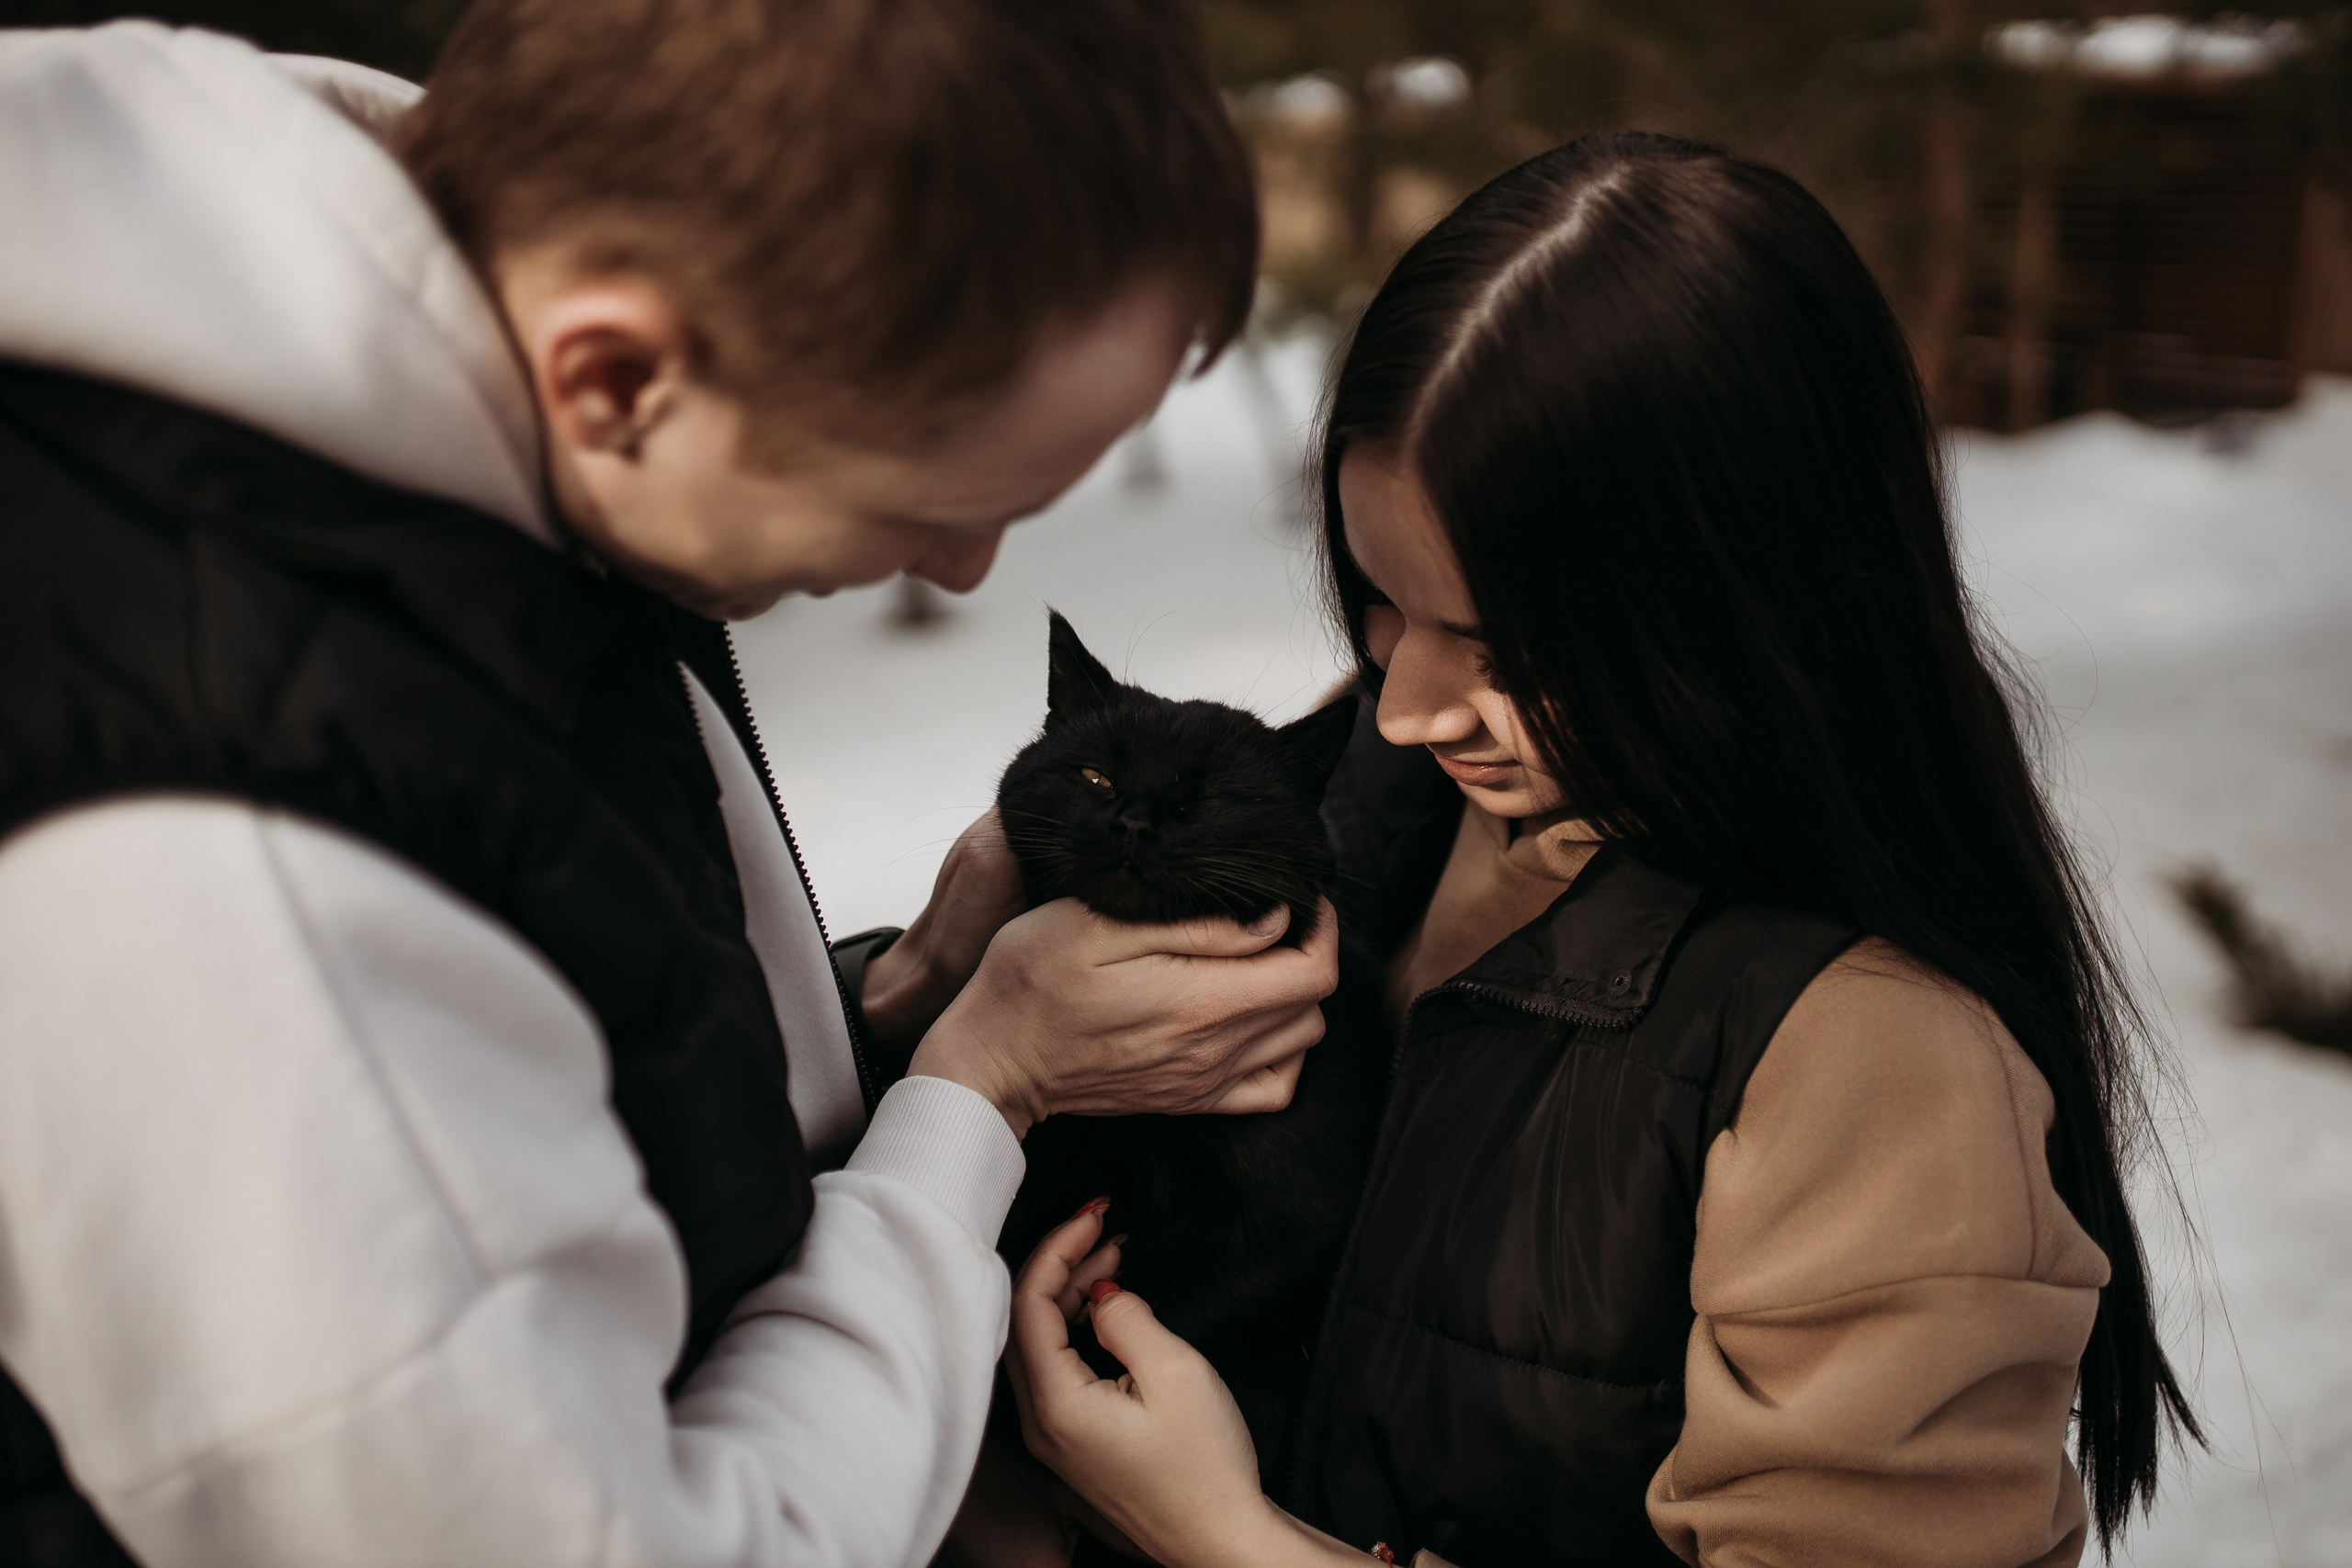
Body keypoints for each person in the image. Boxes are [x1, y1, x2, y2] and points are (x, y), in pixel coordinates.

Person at [0, 6, 1337, 1566]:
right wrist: (979, 1098)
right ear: (620, 377)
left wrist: (897, 1004)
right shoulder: (231, 866)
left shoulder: (480, 450)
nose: (964, 570)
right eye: (931, 501)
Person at [989, 133, 2200, 1568]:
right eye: (1379, 602)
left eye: (1506, 647)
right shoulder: (1412, 783)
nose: (1411, 706)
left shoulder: (1874, 1058)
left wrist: (1223, 1539)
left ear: (1754, 609)